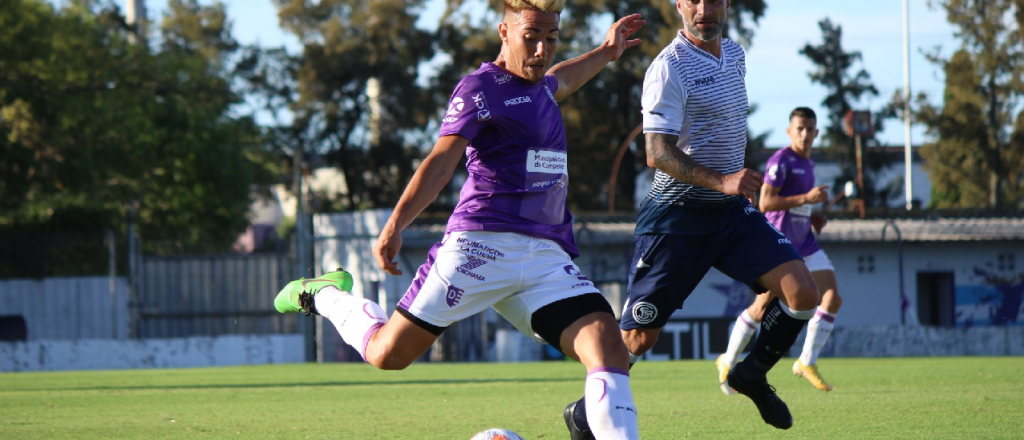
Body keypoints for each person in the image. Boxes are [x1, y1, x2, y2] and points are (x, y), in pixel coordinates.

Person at [272, 2, 646, 439]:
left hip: (545, 257)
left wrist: (605, 51)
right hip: (479, 247)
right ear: (504, 31)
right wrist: (396, 224)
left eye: (552, 37)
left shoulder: (542, 87)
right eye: (532, 37)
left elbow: (565, 78)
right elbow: (440, 160)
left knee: (609, 349)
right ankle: (325, 295)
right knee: (386, 353)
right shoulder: (480, 89)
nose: (542, 49)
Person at [563, 0, 820, 437]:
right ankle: (585, 413)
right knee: (638, 340)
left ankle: (750, 374)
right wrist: (722, 180)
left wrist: (729, 187)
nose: (704, 8)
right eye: (694, 0)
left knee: (803, 293)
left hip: (729, 215)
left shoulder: (736, 56)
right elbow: (656, 153)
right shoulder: (668, 68)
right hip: (675, 220)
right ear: (679, 5)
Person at [716, 107, 842, 393]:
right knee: (761, 309)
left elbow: (798, 205)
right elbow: (766, 204)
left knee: (832, 298)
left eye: (810, 129)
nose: (805, 134)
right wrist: (807, 198)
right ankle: (728, 358)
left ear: (817, 132)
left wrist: (812, 215)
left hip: (805, 242)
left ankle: (806, 362)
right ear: (789, 131)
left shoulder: (808, 163)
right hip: (781, 246)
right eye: (800, 129)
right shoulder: (781, 161)